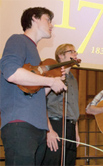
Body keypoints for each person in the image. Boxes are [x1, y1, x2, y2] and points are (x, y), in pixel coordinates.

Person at [0, 7, 67, 165]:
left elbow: (35, 94)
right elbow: (11, 73)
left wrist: (54, 80)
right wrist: (49, 81)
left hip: (38, 128)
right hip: (20, 124)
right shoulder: (18, 40)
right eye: (48, 19)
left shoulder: (36, 54)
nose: (51, 25)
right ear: (34, 18)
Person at [42, 44, 80, 165]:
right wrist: (49, 131)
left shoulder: (73, 79)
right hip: (55, 125)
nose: (75, 54)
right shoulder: (51, 75)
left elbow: (74, 107)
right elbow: (41, 103)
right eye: (71, 51)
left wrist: (76, 132)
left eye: (75, 52)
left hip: (71, 128)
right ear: (61, 56)